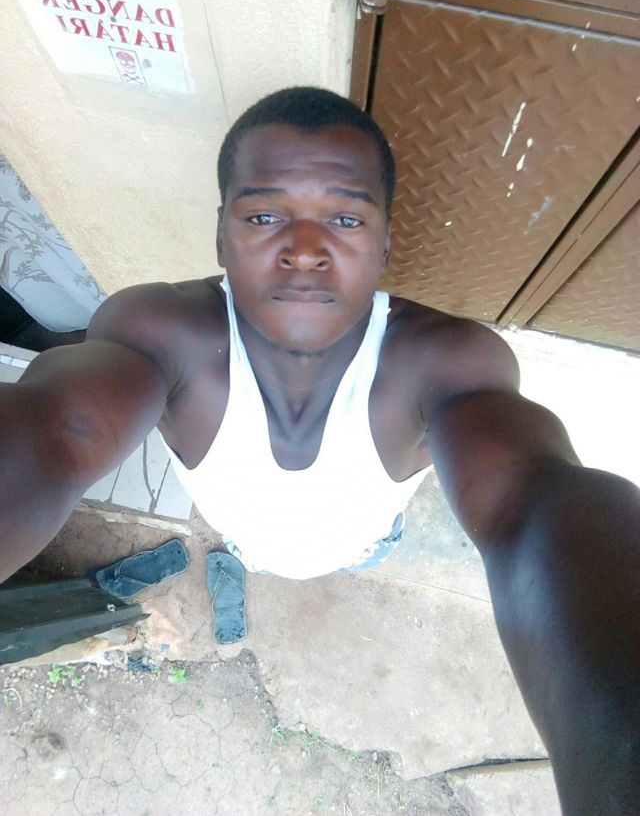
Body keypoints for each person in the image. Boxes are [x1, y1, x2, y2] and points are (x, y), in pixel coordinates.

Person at [1, 87, 638, 812]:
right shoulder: (161, 333)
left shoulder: (445, 362)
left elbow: (534, 502)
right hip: (246, 534)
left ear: (385, 243)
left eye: (345, 218)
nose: (304, 250)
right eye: (264, 216)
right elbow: (59, 430)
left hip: (364, 541)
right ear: (221, 236)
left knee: (357, 550)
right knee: (255, 550)